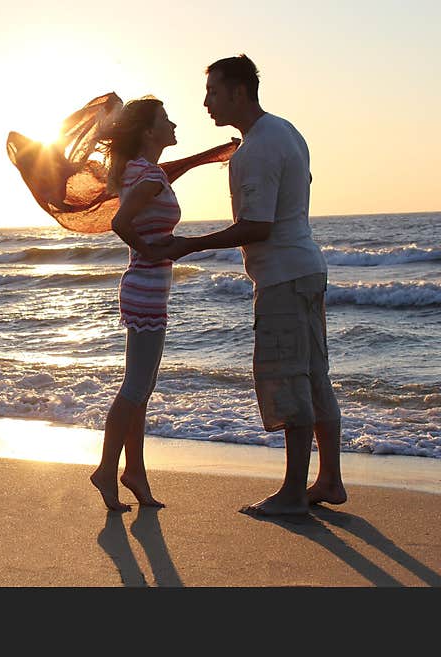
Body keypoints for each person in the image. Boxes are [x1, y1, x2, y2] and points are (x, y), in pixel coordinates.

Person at [147, 54, 346, 516]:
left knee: (288, 380)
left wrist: (184, 246)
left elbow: (257, 226)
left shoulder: (256, 148)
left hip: (282, 274)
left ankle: (294, 493)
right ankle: (329, 480)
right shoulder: (284, 131)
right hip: (307, 267)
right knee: (315, 376)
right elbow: (300, 186)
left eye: (213, 92)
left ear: (239, 92)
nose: (205, 103)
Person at [89, 96, 179, 511]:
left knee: (141, 388)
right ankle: (107, 469)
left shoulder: (142, 171)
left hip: (146, 288)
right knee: (136, 388)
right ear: (148, 132)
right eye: (166, 119)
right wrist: (150, 251)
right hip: (145, 287)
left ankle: (135, 472)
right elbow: (120, 222)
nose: (173, 123)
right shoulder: (147, 176)